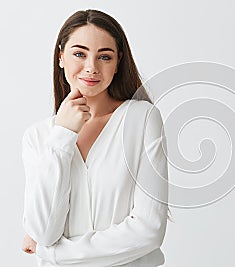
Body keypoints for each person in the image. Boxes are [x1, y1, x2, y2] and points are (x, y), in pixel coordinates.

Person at [21, 9, 169, 266]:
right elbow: (45, 230)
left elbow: (149, 231)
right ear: (61, 57)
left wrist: (53, 253)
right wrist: (63, 135)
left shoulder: (142, 120)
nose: (91, 67)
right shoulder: (38, 137)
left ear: (117, 63)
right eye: (79, 53)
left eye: (104, 56)